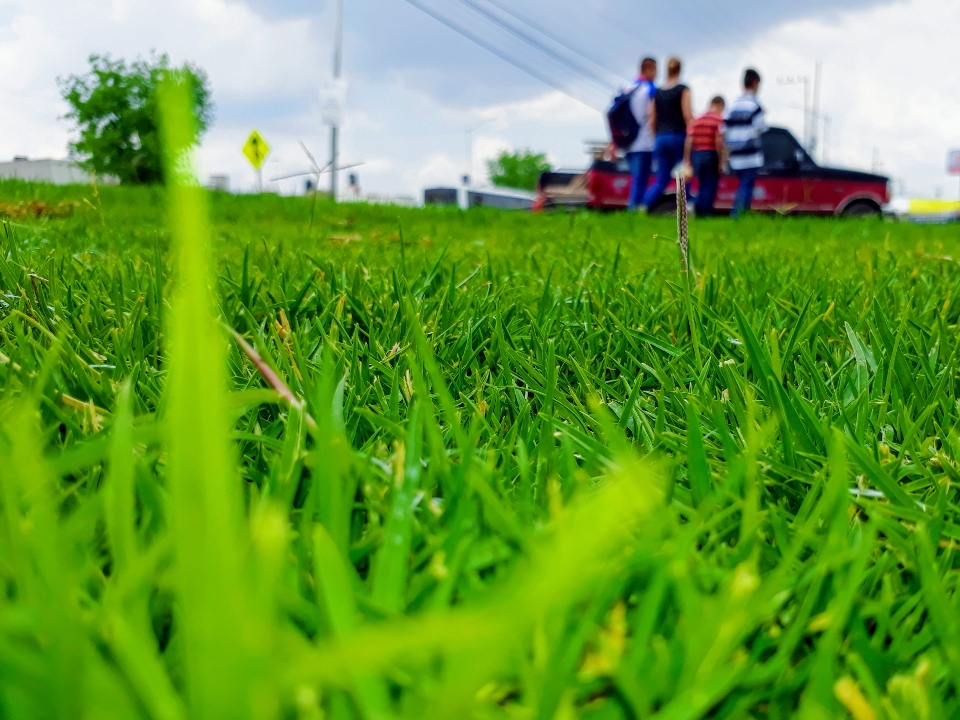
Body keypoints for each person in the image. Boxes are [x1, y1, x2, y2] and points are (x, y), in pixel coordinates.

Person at [642, 57, 693, 212]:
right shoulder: (683, 89)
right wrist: (692, 133)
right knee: (683, 176)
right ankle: (686, 208)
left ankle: (643, 206)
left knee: (661, 179)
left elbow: (652, 118)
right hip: (678, 136)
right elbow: (687, 115)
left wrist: (654, 137)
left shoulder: (657, 92)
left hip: (660, 138)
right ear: (680, 70)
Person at [723, 68, 766, 218]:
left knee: (742, 184)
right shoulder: (755, 106)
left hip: (735, 154)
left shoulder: (732, 105)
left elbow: (723, 129)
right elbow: (761, 128)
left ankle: (739, 214)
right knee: (746, 186)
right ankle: (737, 214)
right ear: (755, 84)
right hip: (750, 154)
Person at [623, 57, 657, 210]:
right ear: (648, 69)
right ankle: (635, 210)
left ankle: (633, 210)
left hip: (627, 141)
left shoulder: (626, 88)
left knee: (635, 178)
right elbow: (651, 115)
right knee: (641, 180)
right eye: (655, 70)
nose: (656, 75)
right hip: (644, 141)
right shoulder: (649, 89)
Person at [683, 96, 726, 217]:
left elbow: (689, 140)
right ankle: (703, 213)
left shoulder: (697, 120)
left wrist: (687, 159)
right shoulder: (718, 119)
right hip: (711, 154)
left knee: (702, 184)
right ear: (720, 105)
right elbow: (719, 141)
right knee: (710, 186)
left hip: (696, 154)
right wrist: (721, 161)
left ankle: (698, 210)